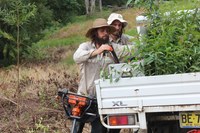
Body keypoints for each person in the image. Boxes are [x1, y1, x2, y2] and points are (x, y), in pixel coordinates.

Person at [73, 18, 133, 133]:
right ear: (95, 33)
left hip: (105, 97)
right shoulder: (85, 46)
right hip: (86, 95)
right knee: (77, 127)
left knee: (103, 128)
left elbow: (129, 50)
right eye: (102, 31)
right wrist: (97, 51)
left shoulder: (112, 48)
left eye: (107, 31)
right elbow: (76, 57)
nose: (105, 33)